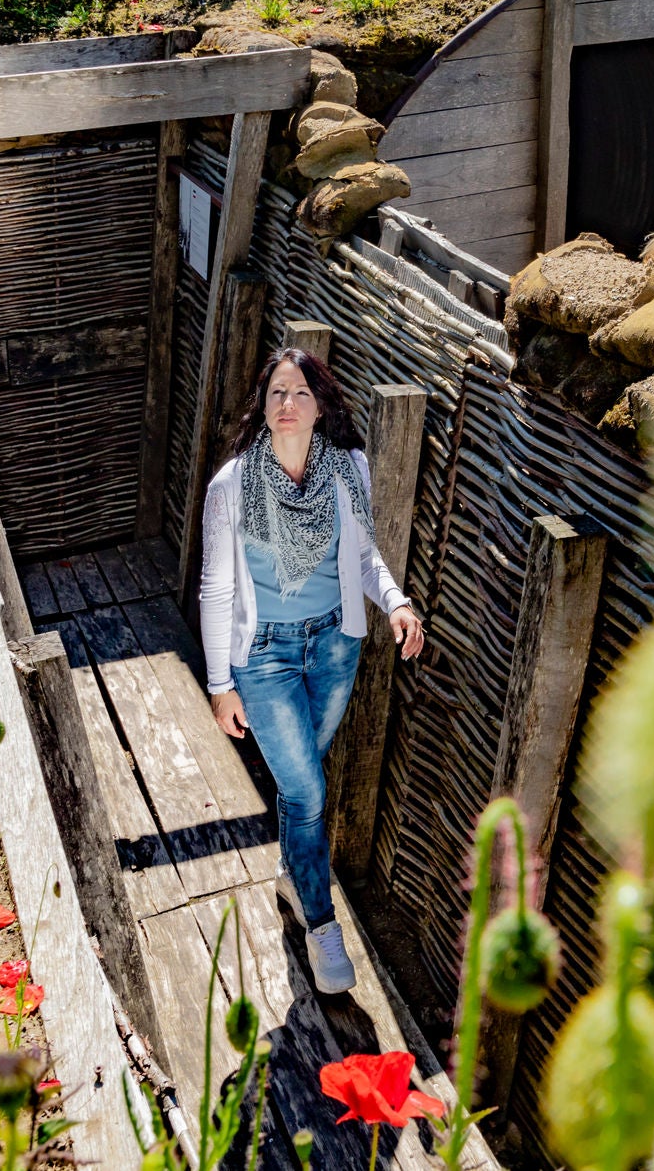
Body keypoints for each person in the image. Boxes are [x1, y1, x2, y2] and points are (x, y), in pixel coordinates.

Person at [198, 347, 425, 994]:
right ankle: (321, 923)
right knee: (306, 792)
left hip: (334, 645)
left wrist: (397, 603)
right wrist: (220, 684)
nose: (288, 403)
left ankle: (292, 873)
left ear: (319, 404)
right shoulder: (232, 486)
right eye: (276, 393)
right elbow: (216, 588)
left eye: (300, 392)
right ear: (263, 410)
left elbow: (362, 555)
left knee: (303, 788)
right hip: (262, 655)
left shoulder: (347, 467)